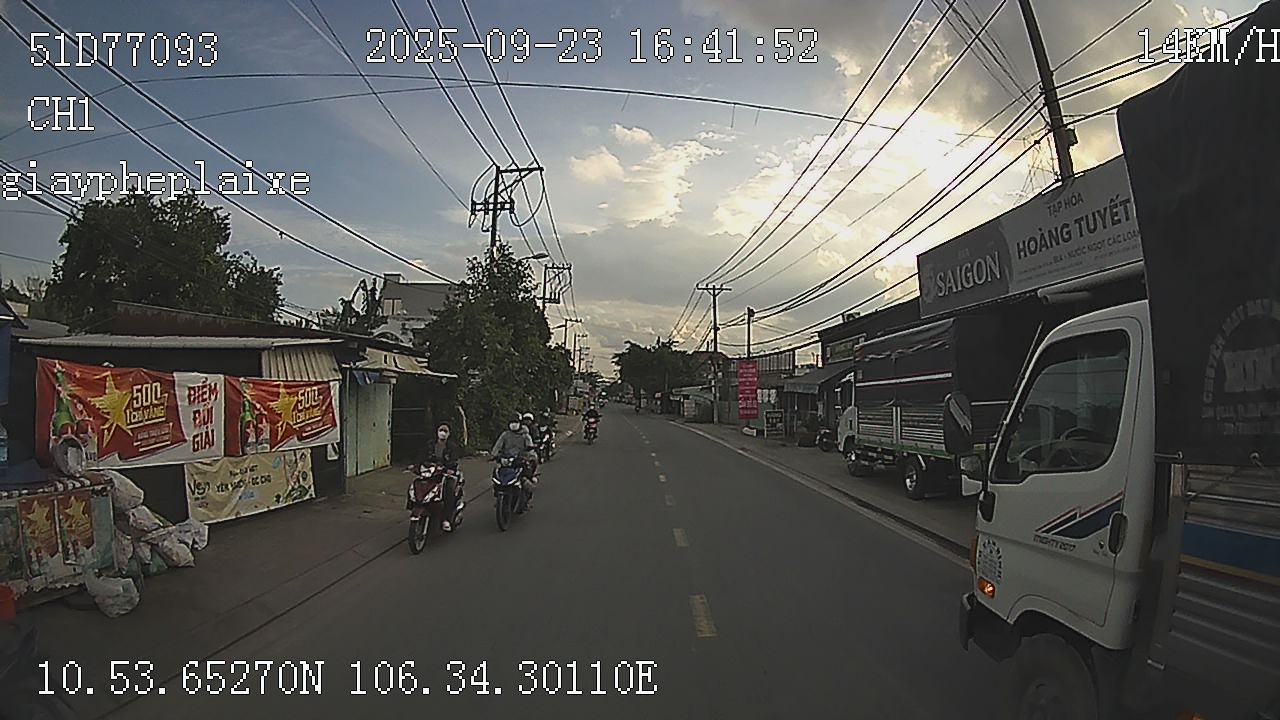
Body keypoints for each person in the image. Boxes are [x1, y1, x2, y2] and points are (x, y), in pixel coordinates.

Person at [418, 422, 463, 531]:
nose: (442, 433)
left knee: (449, 490)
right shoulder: (430, 444)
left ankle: (446, 519)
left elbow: (454, 461)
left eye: (445, 431)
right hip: (431, 473)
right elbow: (421, 456)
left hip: (445, 474)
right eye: (441, 430)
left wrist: (449, 469)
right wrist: (417, 465)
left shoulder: (452, 447)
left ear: (449, 433)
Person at [492, 415, 538, 506]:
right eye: (511, 422)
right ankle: (498, 494)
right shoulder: (505, 435)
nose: (513, 424)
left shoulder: (525, 435)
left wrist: (528, 454)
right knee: (496, 473)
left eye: (515, 422)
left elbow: (530, 447)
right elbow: (498, 446)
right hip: (506, 459)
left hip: (520, 459)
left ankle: (526, 495)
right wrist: (494, 455)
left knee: (526, 476)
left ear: (519, 423)